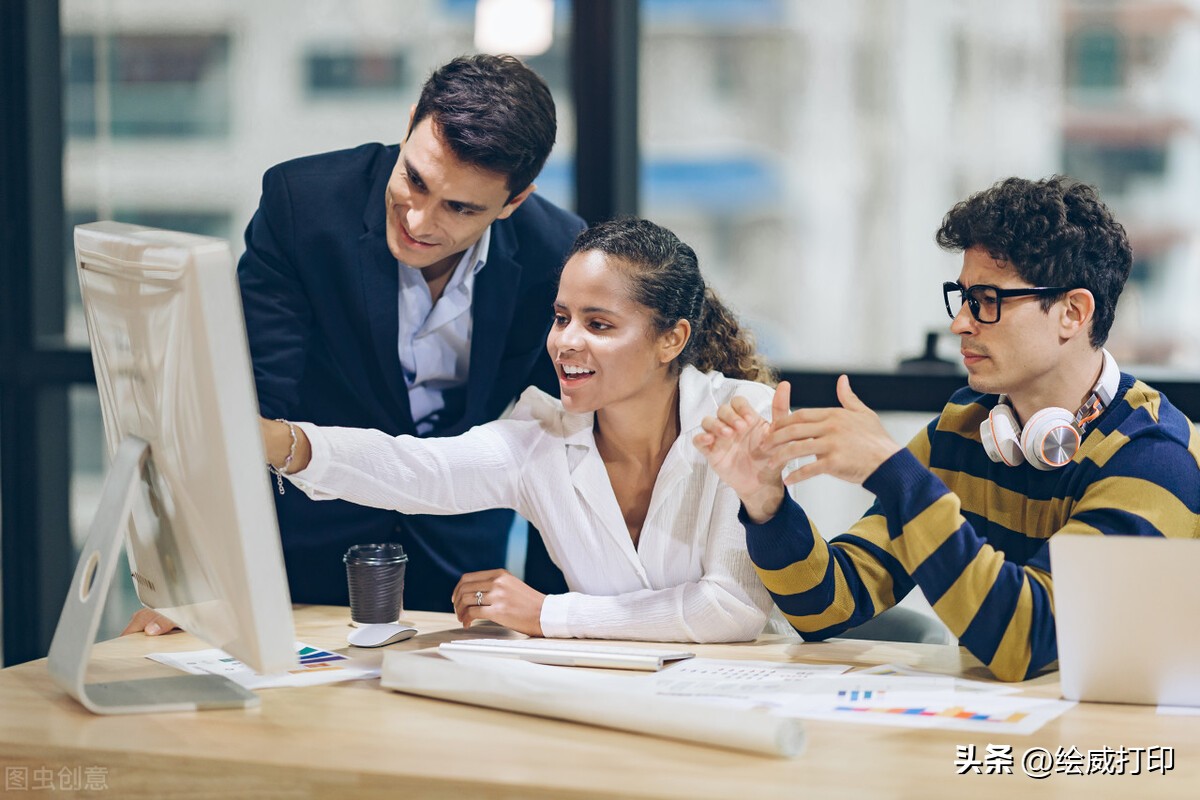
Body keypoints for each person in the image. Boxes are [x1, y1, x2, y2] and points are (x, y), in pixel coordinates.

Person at [694, 176, 1200, 680]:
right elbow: (826, 608)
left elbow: (1031, 640)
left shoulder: (1154, 457)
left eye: (986, 300)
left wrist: (893, 474)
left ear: (1072, 312)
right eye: (961, 298)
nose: (961, 322)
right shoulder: (968, 428)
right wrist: (767, 505)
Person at [251, 218, 783, 642]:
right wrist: (279, 442)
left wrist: (548, 614)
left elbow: (731, 610)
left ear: (671, 340)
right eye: (560, 317)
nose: (566, 342)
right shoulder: (540, 435)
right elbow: (420, 470)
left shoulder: (742, 414)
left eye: (599, 324)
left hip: (739, 711)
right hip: (611, 710)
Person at [237, 54, 585, 611]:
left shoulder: (558, 253)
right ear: (408, 127)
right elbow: (253, 405)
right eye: (414, 180)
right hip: (305, 541)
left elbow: (571, 430)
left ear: (514, 201)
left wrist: (561, 610)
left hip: (462, 555)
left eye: (459, 207)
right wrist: (201, 584)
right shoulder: (302, 204)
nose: (419, 221)